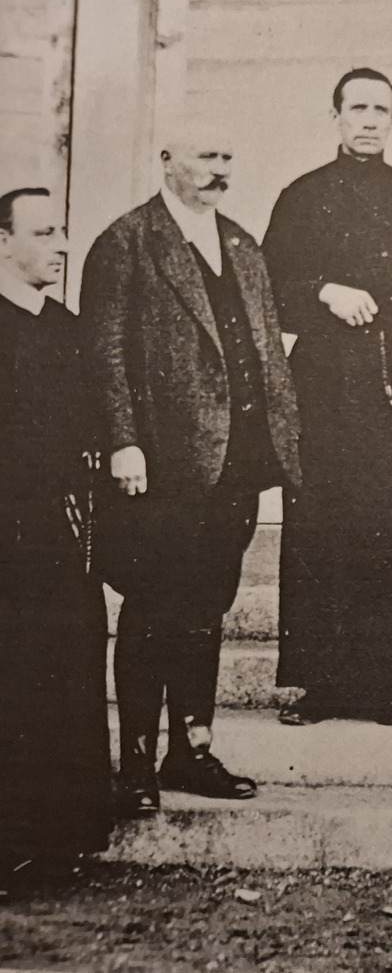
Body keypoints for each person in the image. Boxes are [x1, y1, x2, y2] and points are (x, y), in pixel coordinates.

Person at [82, 125, 300, 816]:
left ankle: (191, 749)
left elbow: (267, 352)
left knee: (207, 606)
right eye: (206, 156)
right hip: (161, 466)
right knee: (154, 608)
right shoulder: (126, 242)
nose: (218, 169)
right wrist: (123, 441)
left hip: (235, 465)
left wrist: (280, 439)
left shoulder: (242, 244)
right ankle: (135, 763)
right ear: (167, 160)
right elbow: (104, 352)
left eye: (227, 156)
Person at [263, 68, 392, 727]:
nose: (370, 119)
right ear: (336, 115)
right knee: (320, 527)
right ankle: (320, 686)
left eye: (382, 109)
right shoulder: (302, 196)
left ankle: (385, 684)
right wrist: (324, 291)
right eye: (358, 108)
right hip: (324, 384)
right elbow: (266, 289)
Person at [0, 188, 114, 887]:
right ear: (2, 242)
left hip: (60, 533)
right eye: (44, 233)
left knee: (65, 665)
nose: (62, 246)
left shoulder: (66, 327)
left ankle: (59, 835)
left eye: (61, 232)